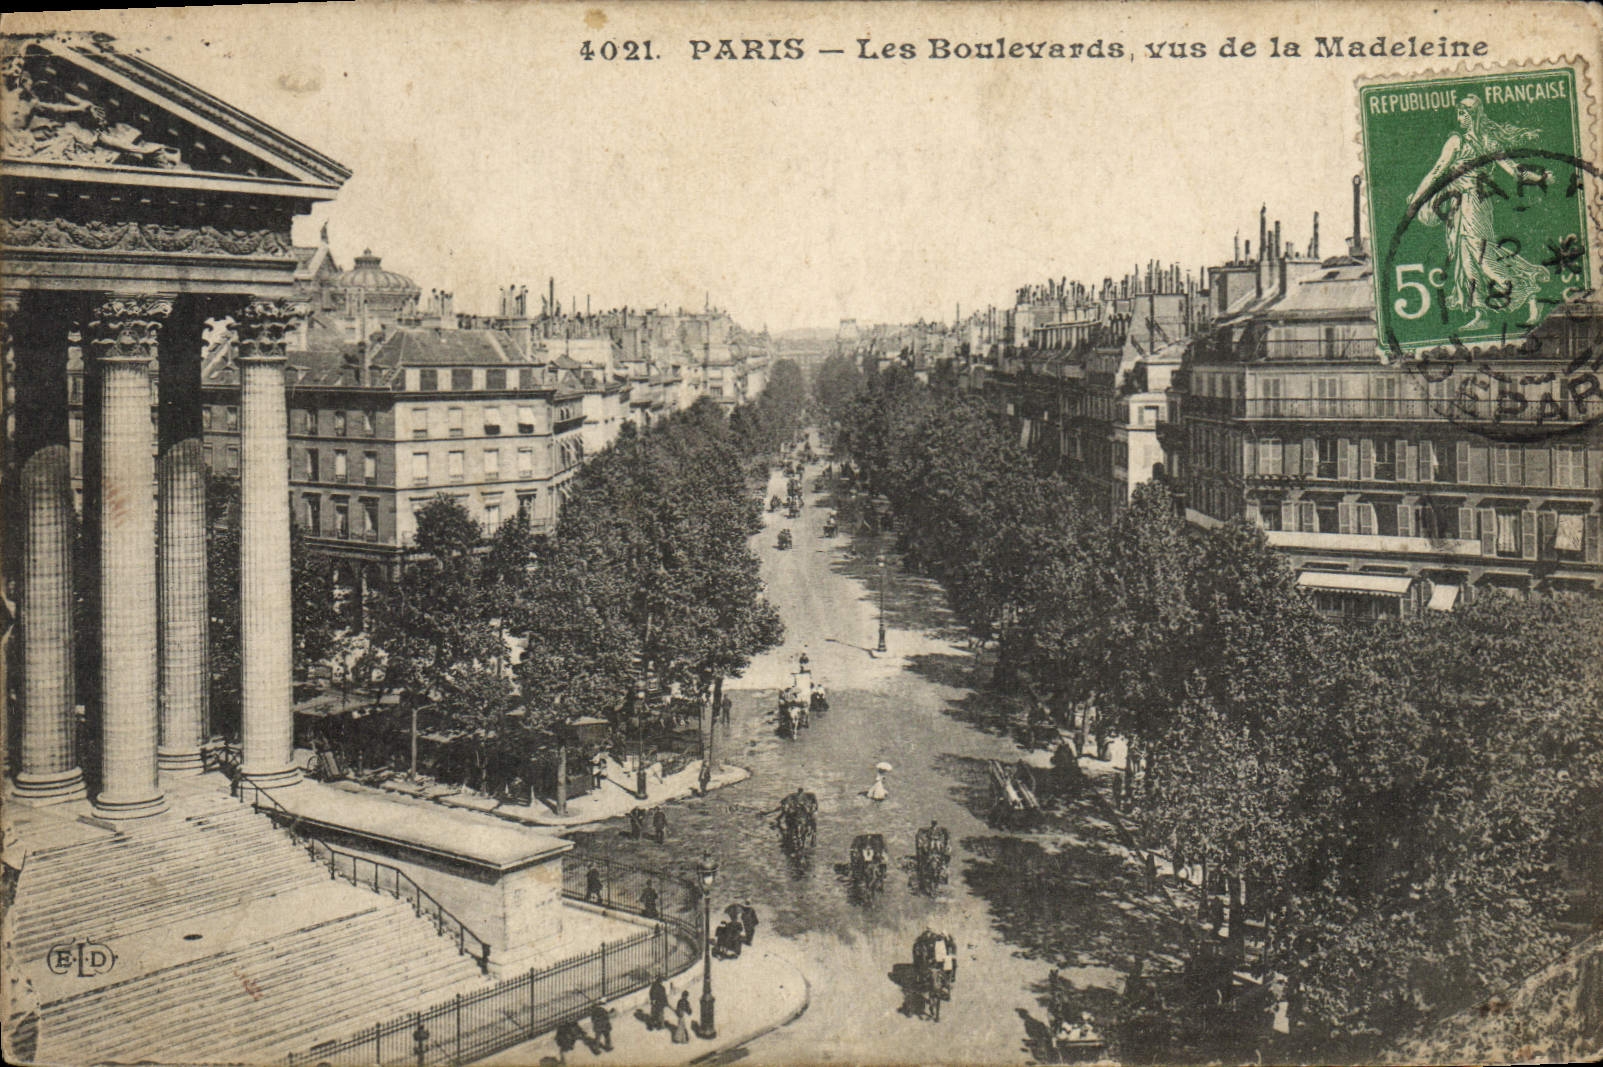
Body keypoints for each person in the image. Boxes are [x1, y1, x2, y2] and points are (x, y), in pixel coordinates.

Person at [1408, 94, 1552, 331]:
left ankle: (1527, 290)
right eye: (1458, 113)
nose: (1460, 118)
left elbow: (1515, 172)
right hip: (1461, 204)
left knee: (1482, 255)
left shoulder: (1487, 142)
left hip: (1476, 203)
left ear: (1475, 115)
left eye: (1464, 114)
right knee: (1467, 258)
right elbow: (1436, 172)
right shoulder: (1458, 141)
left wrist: (1541, 177)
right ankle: (1480, 313)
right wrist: (1418, 197)